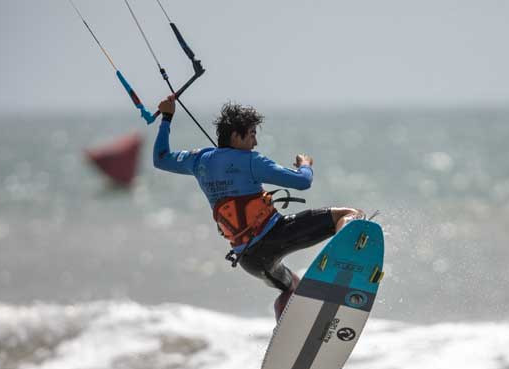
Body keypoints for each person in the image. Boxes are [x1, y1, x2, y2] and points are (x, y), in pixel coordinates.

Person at [153, 95, 364, 319]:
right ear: (236, 135)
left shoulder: (198, 161)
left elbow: (160, 158)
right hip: (275, 235)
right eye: (252, 134)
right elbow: (303, 182)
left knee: (294, 288)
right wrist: (305, 165)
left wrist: (167, 117)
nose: (255, 142)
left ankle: (287, 330)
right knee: (351, 215)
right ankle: (345, 266)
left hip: (249, 259)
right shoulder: (251, 161)